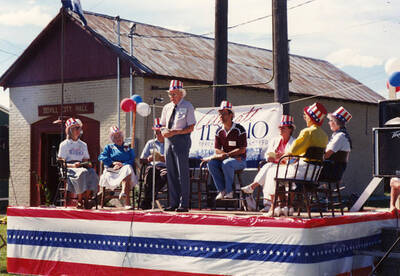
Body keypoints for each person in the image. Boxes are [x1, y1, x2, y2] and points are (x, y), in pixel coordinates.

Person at [265, 102, 329, 216]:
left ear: (310, 118)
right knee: (278, 174)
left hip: (301, 170)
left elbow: (293, 151)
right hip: (313, 173)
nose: (304, 118)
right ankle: (286, 206)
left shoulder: (307, 131)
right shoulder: (324, 135)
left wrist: (280, 155)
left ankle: (274, 206)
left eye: (305, 116)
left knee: (271, 172)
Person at [241, 115, 295, 212]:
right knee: (269, 169)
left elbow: (293, 159)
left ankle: (254, 188)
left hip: (286, 168)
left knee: (268, 168)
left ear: (290, 129)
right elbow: (267, 153)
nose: (281, 129)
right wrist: (269, 157)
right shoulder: (275, 140)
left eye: (284, 128)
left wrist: (281, 157)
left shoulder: (294, 142)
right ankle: (267, 203)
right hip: (274, 166)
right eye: (280, 127)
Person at [160, 80, 196, 212]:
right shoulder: (166, 107)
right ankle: (173, 202)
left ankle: (184, 203)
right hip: (168, 141)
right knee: (171, 172)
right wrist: (164, 132)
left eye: (174, 94)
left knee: (182, 173)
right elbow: (163, 125)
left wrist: (176, 132)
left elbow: (191, 127)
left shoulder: (188, 106)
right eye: (170, 94)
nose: (172, 97)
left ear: (181, 93)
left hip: (182, 139)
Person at [207, 101, 247, 200]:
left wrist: (227, 155)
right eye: (220, 114)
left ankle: (229, 191)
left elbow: (242, 149)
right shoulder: (219, 131)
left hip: (240, 160)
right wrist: (225, 155)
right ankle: (222, 190)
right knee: (211, 164)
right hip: (227, 158)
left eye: (224, 113)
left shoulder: (240, 129)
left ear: (231, 115)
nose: (221, 116)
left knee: (226, 163)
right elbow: (217, 149)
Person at [58, 118, 99, 209]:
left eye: (78, 128)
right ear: (69, 130)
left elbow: (86, 159)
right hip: (69, 167)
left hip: (81, 166)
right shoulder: (64, 144)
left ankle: (87, 198)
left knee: (92, 173)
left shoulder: (83, 145)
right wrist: (73, 165)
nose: (77, 130)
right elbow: (61, 162)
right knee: (82, 173)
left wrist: (87, 164)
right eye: (75, 128)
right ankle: (80, 200)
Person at [98, 126, 138, 209]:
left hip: (124, 168)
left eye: (119, 136)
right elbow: (101, 157)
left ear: (122, 137)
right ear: (112, 139)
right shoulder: (109, 147)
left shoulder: (127, 147)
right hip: (112, 170)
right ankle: (127, 202)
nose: (118, 138)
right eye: (115, 137)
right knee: (127, 171)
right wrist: (113, 163)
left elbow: (132, 159)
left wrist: (122, 164)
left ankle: (124, 195)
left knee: (127, 168)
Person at [139, 118, 168, 210]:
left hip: (165, 166)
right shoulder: (150, 143)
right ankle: (149, 198)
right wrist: (148, 159)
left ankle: (148, 199)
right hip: (153, 166)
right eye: (156, 132)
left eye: (160, 132)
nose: (158, 134)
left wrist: (165, 159)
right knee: (150, 173)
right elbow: (141, 160)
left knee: (165, 175)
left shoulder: (169, 143)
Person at [319, 106, 352, 182]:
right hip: (333, 170)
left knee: (304, 171)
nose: (329, 123)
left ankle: (302, 191)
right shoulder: (342, 135)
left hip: (331, 172)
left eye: (330, 120)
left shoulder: (340, 137)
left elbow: (326, 155)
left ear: (335, 122)